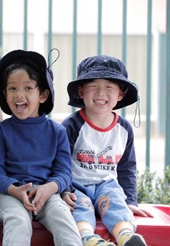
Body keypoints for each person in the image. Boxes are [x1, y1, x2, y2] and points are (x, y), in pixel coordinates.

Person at [0, 49, 82, 246]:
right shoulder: (0, 131)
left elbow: (64, 172)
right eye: (12, 88)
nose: (19, 94)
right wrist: (15, 190)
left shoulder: (57, 132)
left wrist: (48, 189)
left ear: (43, 95)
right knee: (19, 221)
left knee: (62, 216)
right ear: (4, 94)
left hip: (47, 193)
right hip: (9, 194)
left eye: (28, 88)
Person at [61, 55, 150, 246]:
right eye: (93, 85)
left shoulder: (124, 129)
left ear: (120, 94)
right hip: (76, 185)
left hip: (106, 185)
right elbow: (61, 163)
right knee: (78, 208)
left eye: (109, 86)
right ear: (81, 92)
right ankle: (88, 238)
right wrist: (65, 191)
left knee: (117, 203)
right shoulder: (71, 126)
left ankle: (126, 236)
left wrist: (131, 201)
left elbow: (127, 168)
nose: (101, 92)